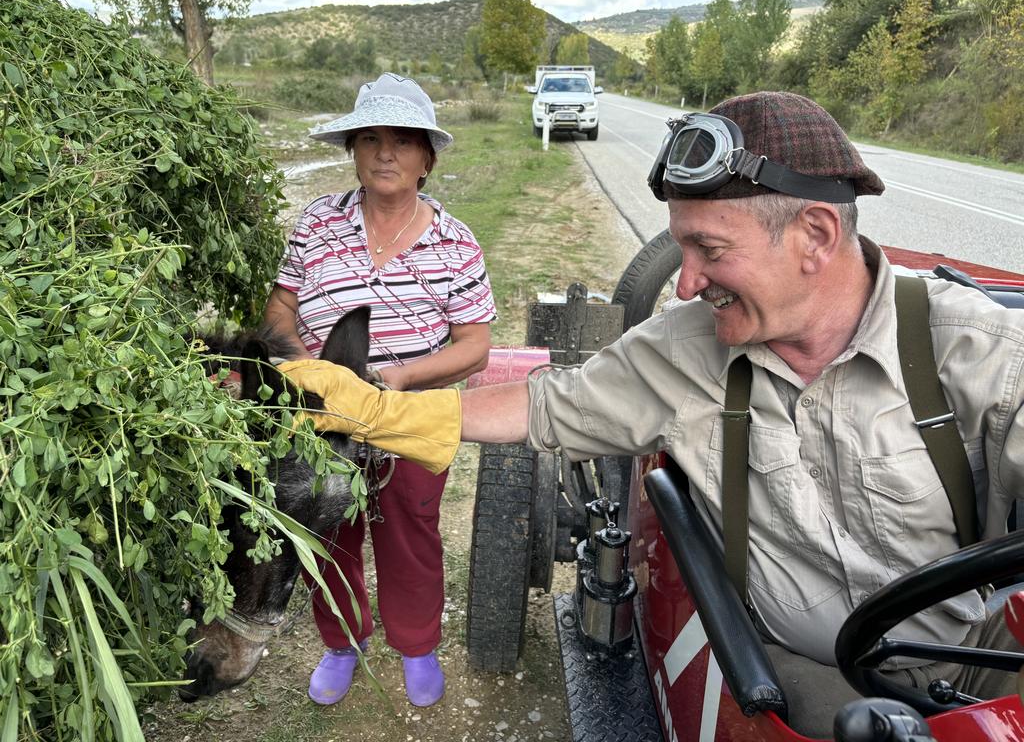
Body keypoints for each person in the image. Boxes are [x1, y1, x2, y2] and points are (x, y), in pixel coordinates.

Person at [278, 91, 1024, 731]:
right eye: (679, 249)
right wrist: (378, 411)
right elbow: (546, 406)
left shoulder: (980, 352)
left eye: (708, 250)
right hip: (799, 677)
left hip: (982, 662)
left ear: (816, 237)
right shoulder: (683, 349)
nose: (686, 285)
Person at [265, 73, 496, 708]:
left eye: (402, 140)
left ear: (427, 159)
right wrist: (307, 369)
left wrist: (400, 378)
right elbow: (281, 305)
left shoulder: (455, 241)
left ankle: (417, 645)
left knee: (409, 531)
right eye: (370, 138)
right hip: (320, 417)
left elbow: (474, 344)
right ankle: (341, 643)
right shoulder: (318, 223)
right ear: (353, 150)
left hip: (409, 414)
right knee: (329, 530)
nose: (385, 152)